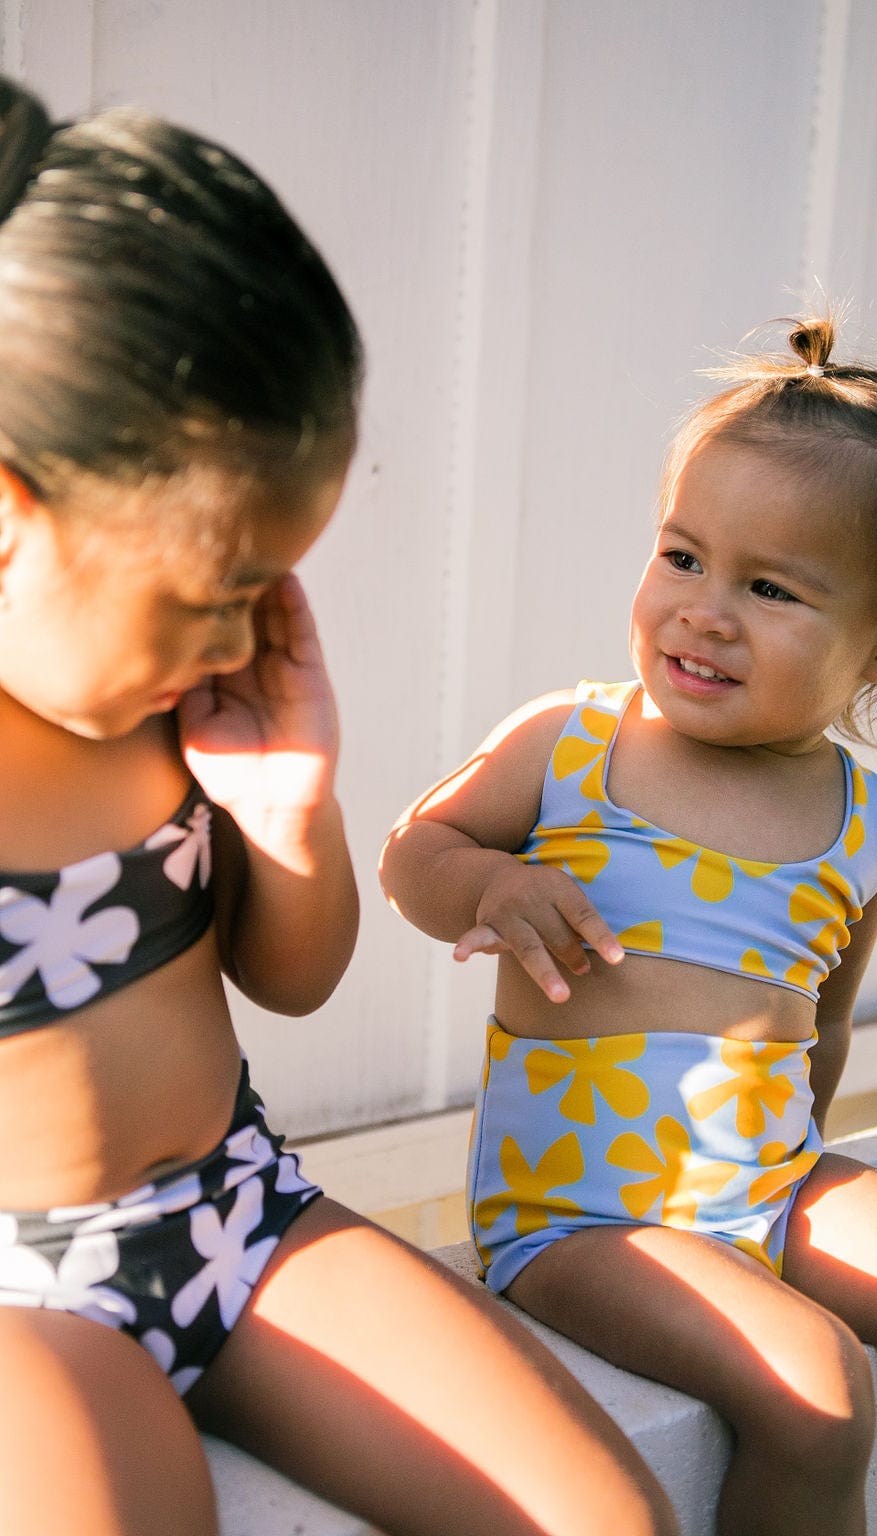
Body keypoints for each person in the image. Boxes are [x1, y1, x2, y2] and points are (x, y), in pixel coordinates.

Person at [0, 79, 679, 1536]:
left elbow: (290, 982)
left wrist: (287, 812)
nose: (247, 643)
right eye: (212, 596)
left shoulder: (163, 708)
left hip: (239, 1221)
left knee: (604, 1520)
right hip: (17, 1306)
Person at [380, 313, 877, 1536]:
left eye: (769, 588)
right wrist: (488, 888)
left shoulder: (864, 824)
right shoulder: (573, 742)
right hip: (582, 1216)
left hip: (773, 1182)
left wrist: (794, 1201)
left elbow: (818, 1037)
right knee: (816, 1390)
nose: (703, 611)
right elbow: (413, 852)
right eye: (682, 556)